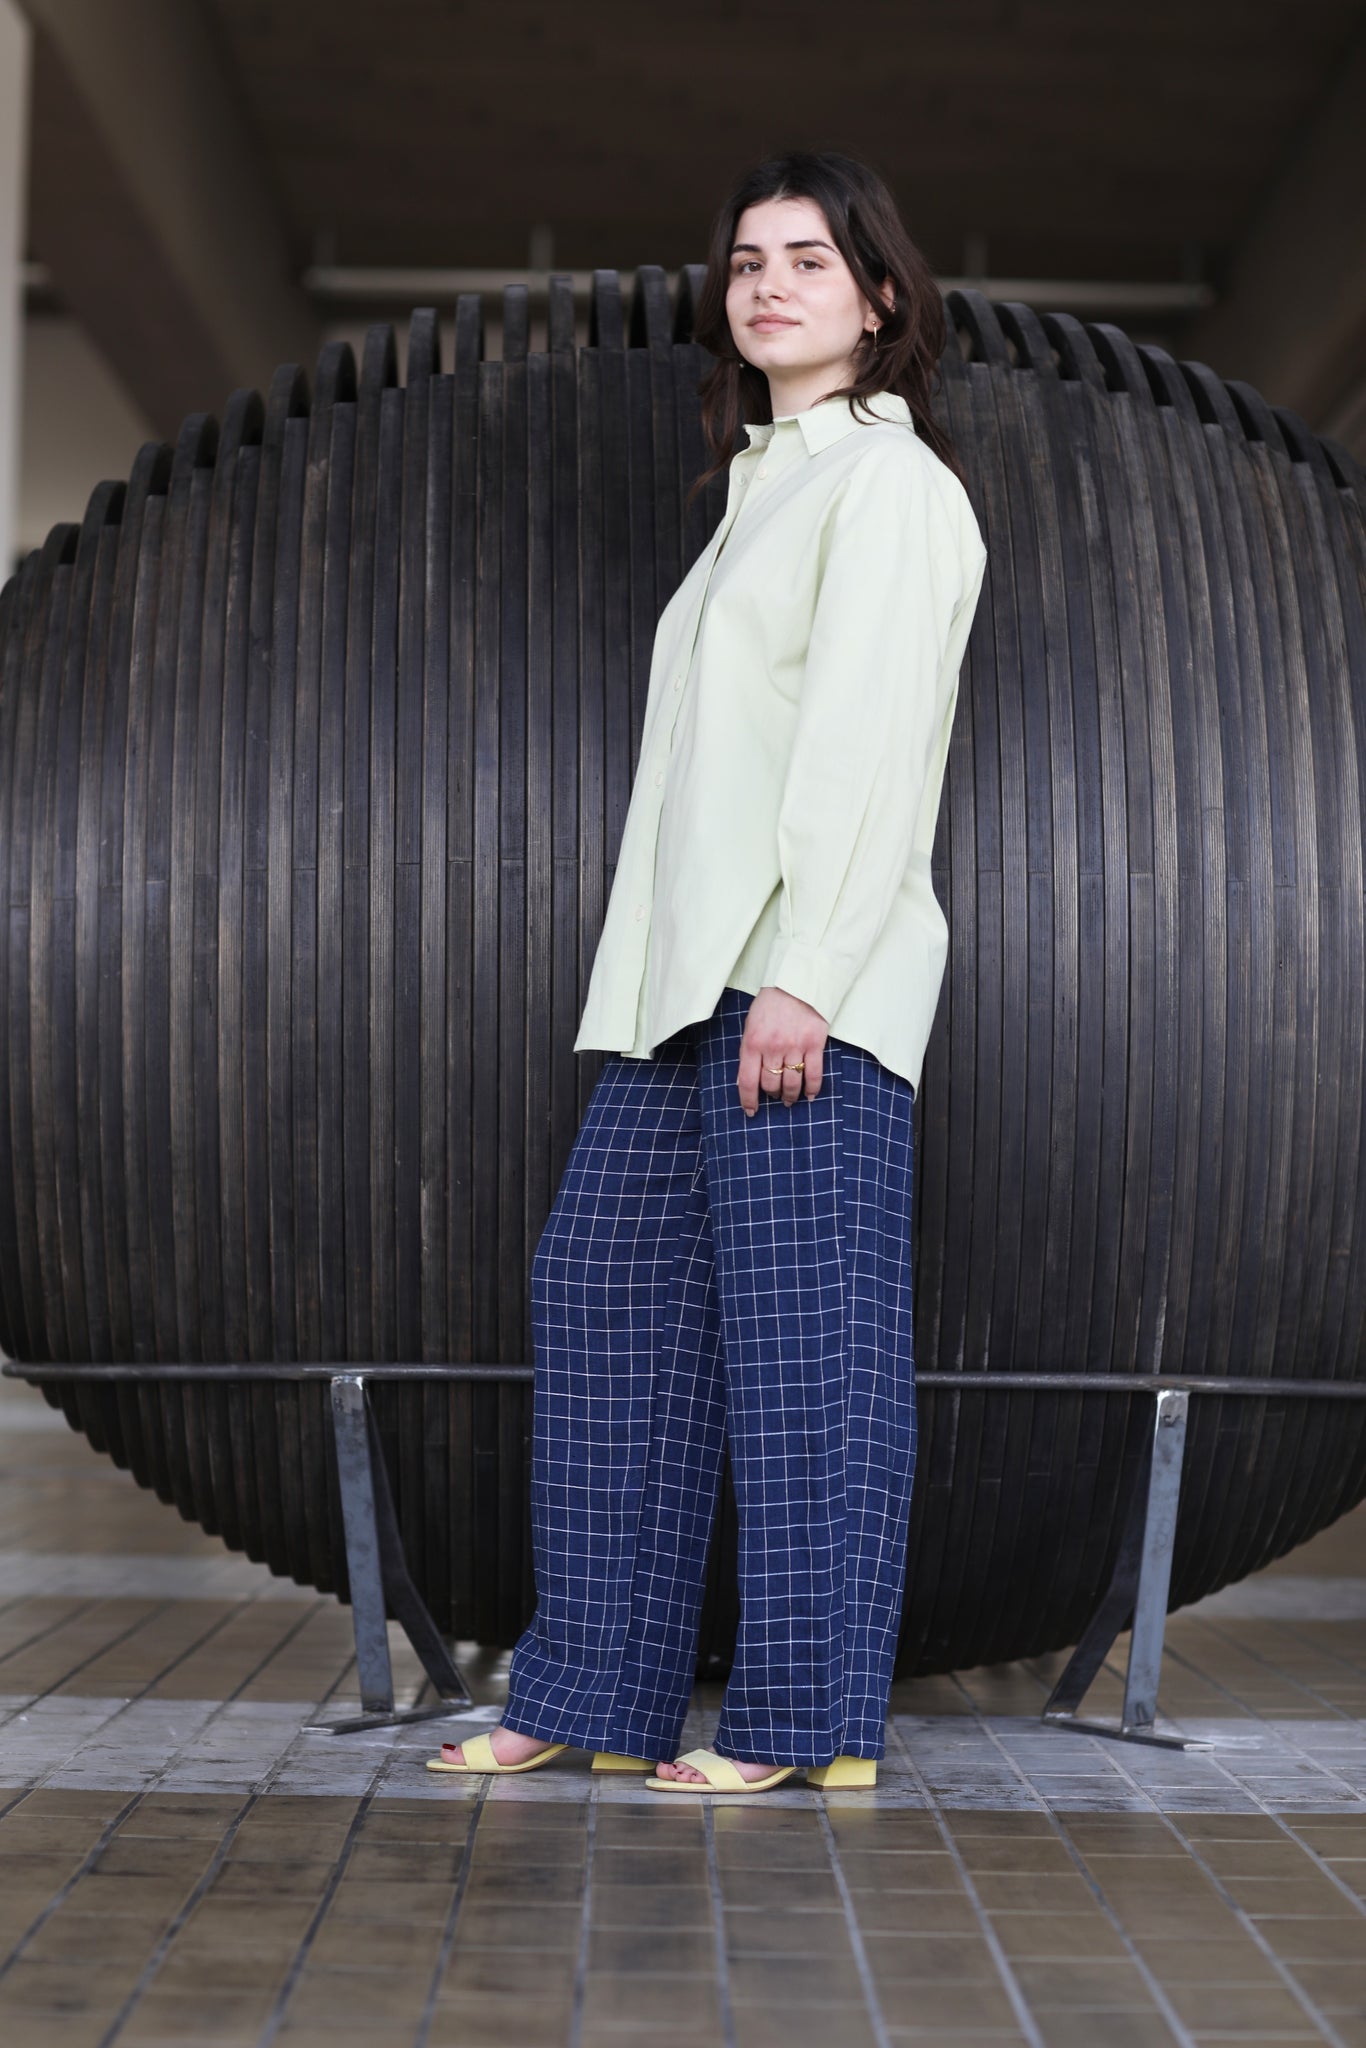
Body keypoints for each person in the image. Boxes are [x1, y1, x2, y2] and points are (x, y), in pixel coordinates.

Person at [429, 149, 987, 1794]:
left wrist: (808, 972)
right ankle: (592, 1692)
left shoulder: (886, 486)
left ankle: (807, 1725)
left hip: (797, 988)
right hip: (683, 994)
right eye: (746, 262)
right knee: (601, 1300)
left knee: (808, 1351)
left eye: (808, 261)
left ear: (877, 300)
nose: (767, 287)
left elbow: (869, 751)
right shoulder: (763, 488)